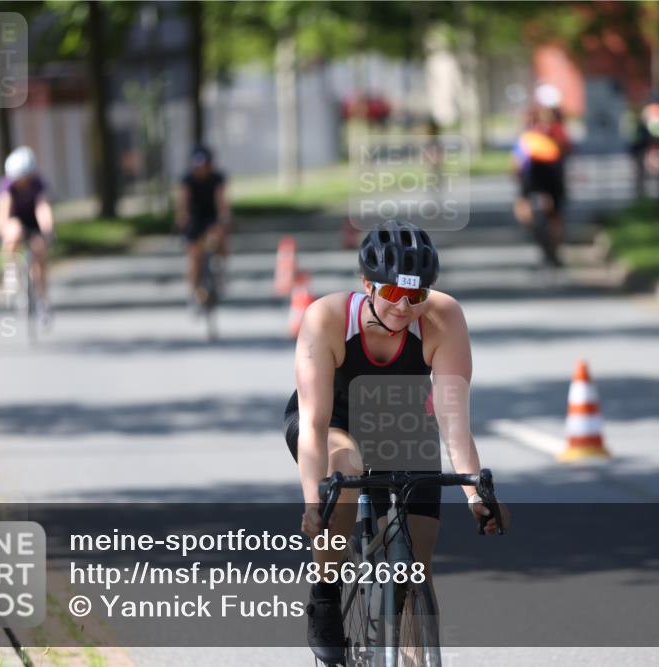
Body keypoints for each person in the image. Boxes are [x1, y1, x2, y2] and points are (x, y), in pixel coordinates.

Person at [283, 221, 506, 663]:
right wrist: (314, 503)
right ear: (367, 284)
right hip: (334, 421)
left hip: (402, 422)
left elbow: (454, 423)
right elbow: (313, 424)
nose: (404, 307)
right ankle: (326, 596)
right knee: (344, 470)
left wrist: (473, 494)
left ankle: (404, 629)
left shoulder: (445, 320)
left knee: (418, 549)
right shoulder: (326, 318)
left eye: (417, 296)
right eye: (391, 294)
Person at [0, 145, 54, 326]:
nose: (22, 182)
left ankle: (43, 301)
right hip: (16, 221)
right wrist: (5, 233)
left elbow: (42, 208)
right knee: (14, 231)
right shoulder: (7, 186)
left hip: (33, 222)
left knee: (39, 253)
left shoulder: (37, 184)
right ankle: (11, 272)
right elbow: (3, 215)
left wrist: (48, 230)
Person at [175, 145, 231, 307]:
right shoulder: (188, 180)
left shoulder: (216, 179)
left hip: (211, 219)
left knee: (219, 235)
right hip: (194, 220)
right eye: (198, 165)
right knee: (193, 255)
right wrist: (182, 219)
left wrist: (225, 218)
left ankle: (220, 268)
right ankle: (193, 291)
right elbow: (182, 203)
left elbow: (221, 202)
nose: (201, 168)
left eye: (204, 164)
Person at [512, 107, 565, 267]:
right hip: (539, 178)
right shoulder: (535, 137)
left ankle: (551, 248)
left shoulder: (532, 137)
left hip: (544, 178)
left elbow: (516, 163)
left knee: (551, 216)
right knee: (550, 216)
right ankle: (550, 247)